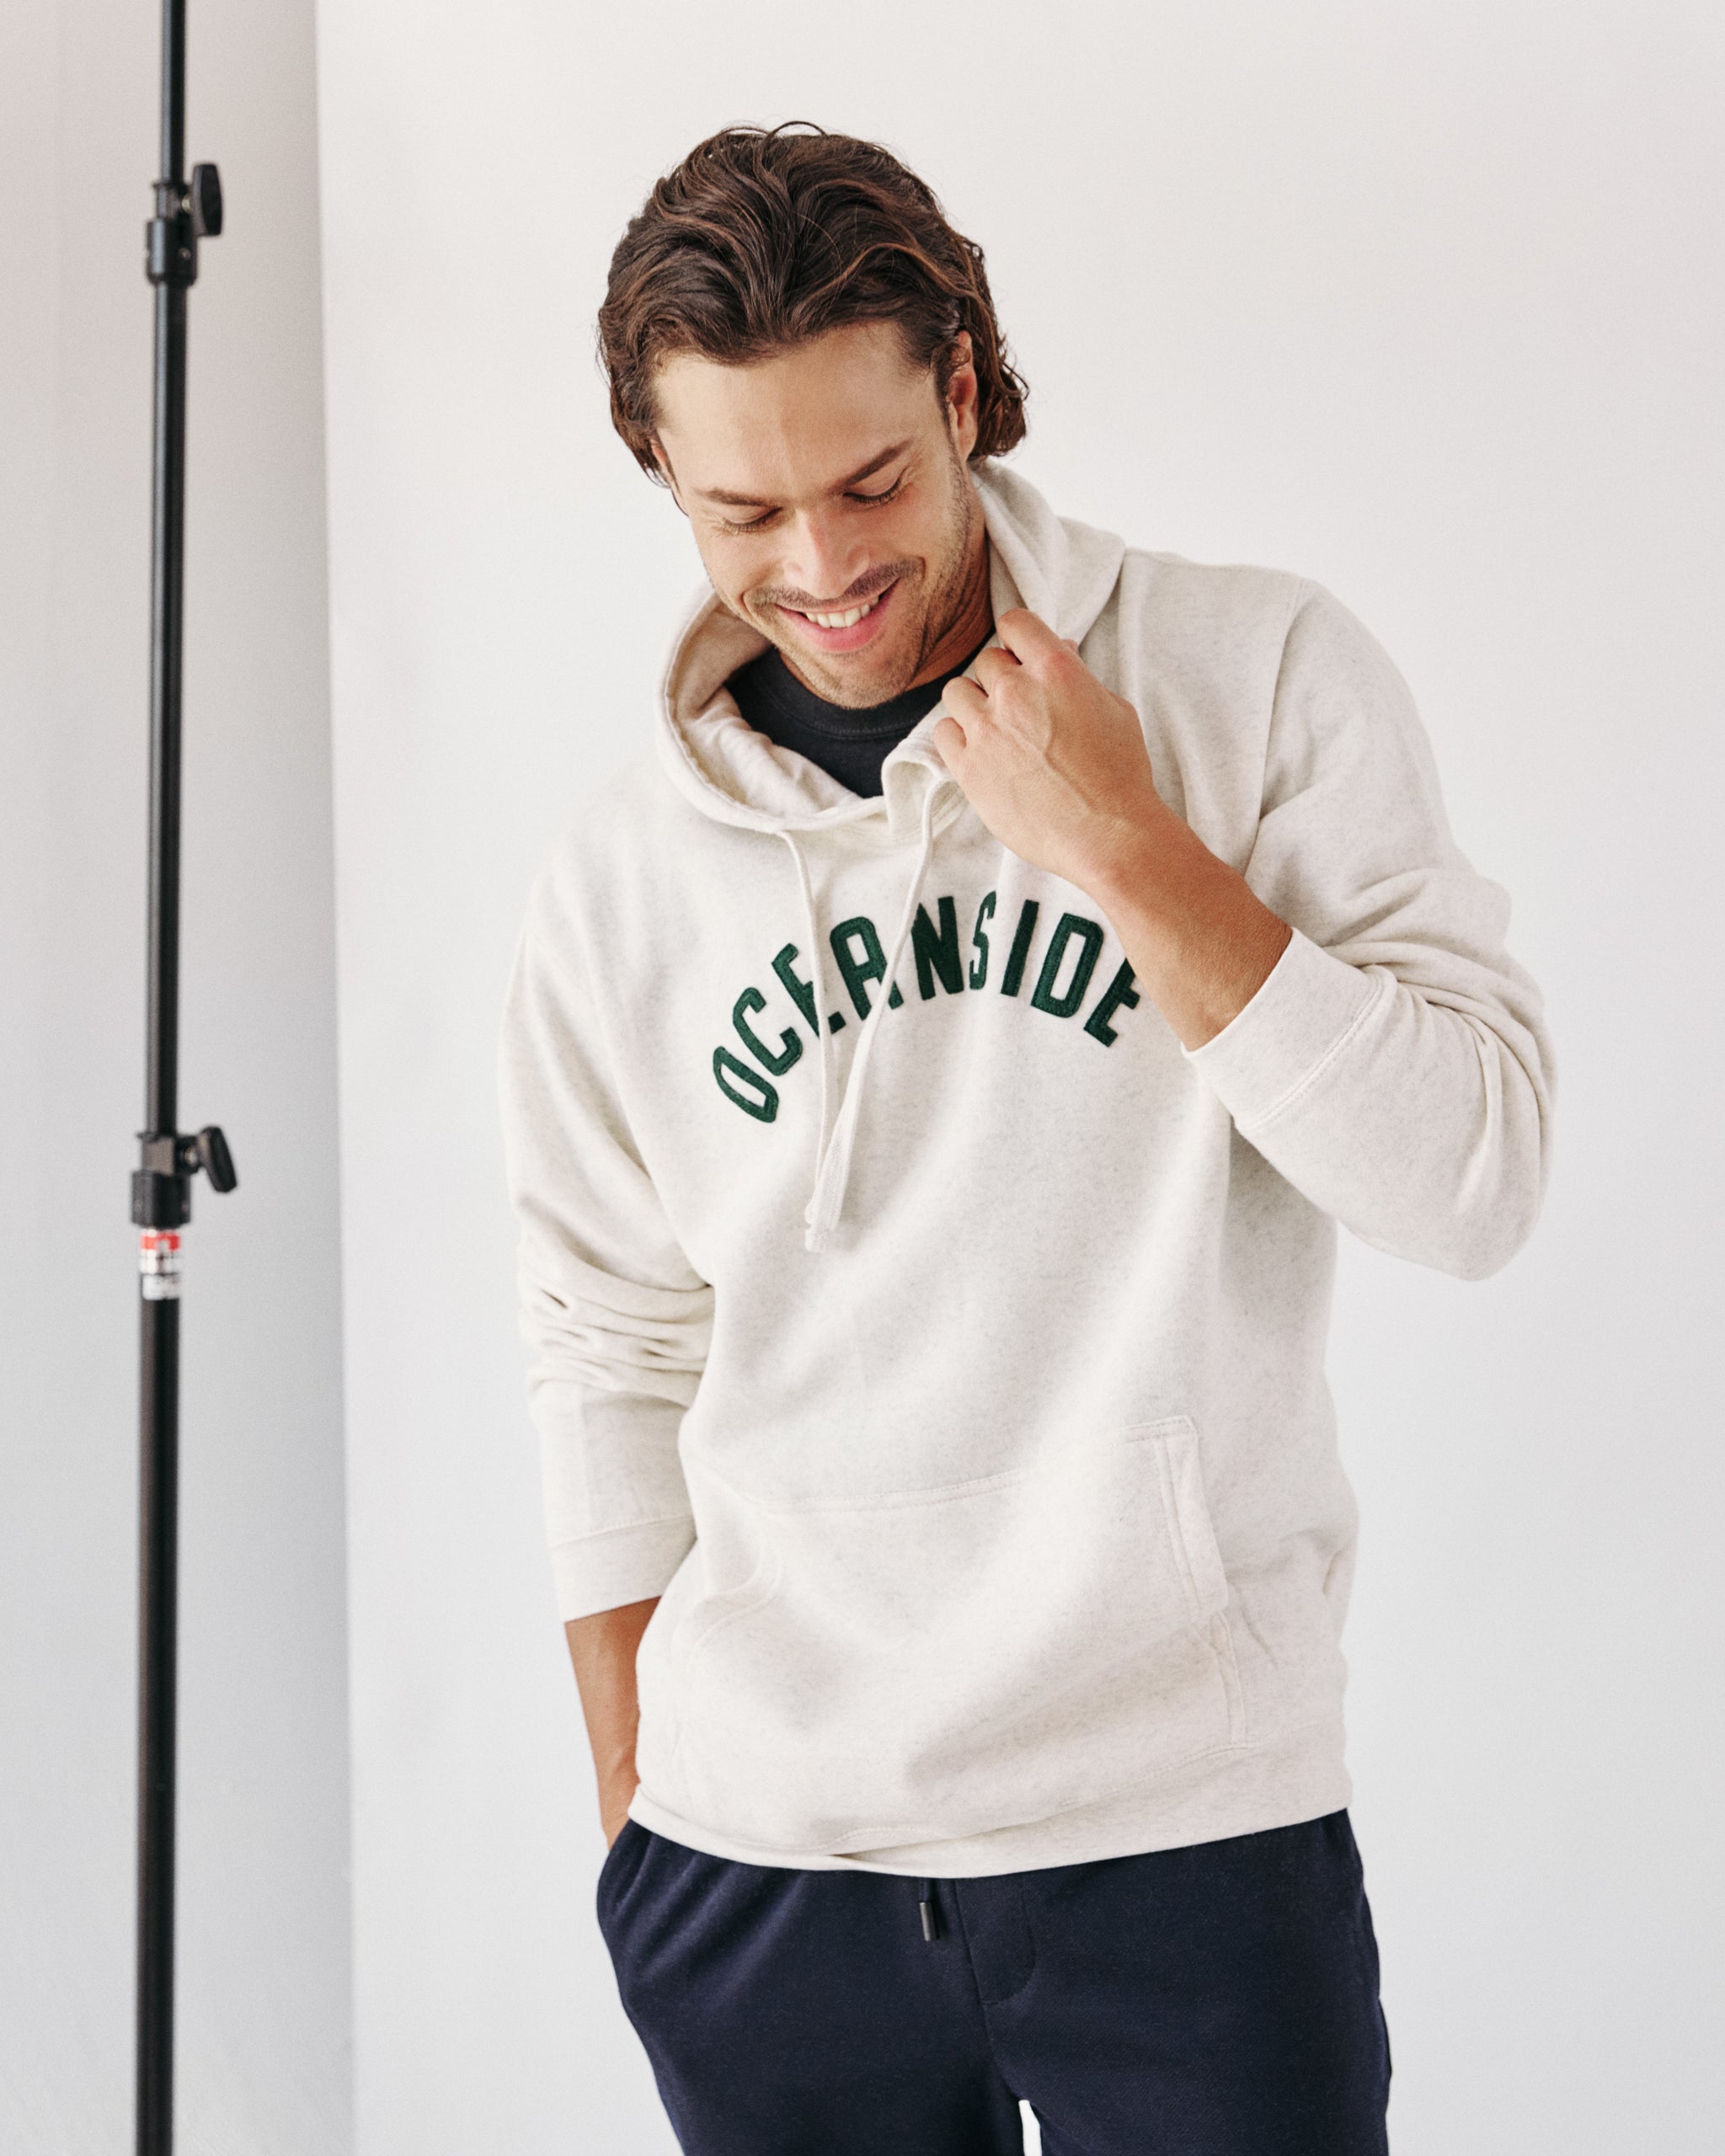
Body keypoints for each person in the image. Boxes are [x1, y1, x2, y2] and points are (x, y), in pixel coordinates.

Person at [499, 123, 1553, 2156]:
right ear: (659, 471)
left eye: (872, 480)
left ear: (965, 390)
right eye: (743, 510)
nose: (822, 567)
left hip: (1187, 1830)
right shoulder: (619, 876)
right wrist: (639, 1818)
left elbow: (1475, 1177)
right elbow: (605, 1344)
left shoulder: (1254, 677)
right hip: (761, 1869)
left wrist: (1129, 846)